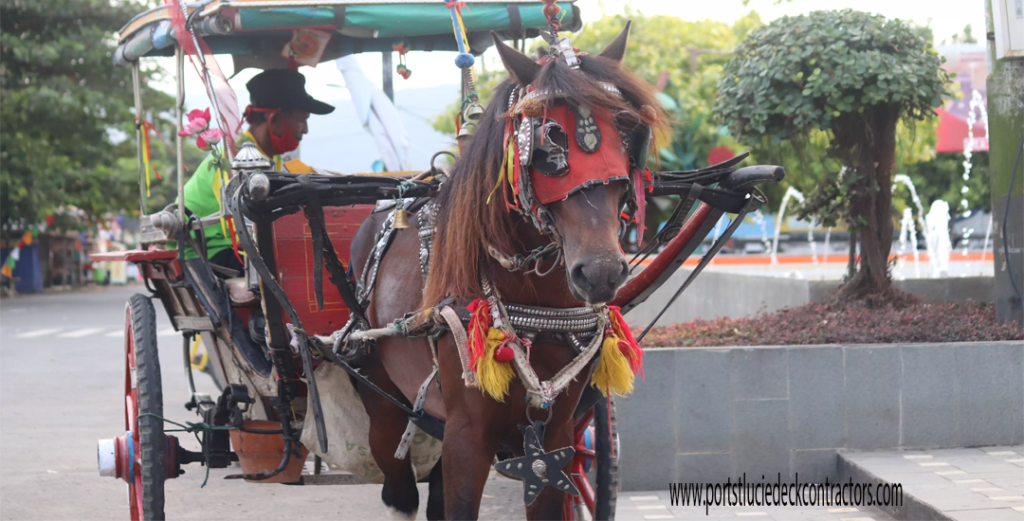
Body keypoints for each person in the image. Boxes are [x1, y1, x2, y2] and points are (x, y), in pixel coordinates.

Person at [181, 68, 335, 275]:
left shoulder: (275, 159)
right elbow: (243, 234)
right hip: (208, 252)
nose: (305, 129)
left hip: (237, 247)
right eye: (301, 119)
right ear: (274, 120)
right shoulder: (233, 158)